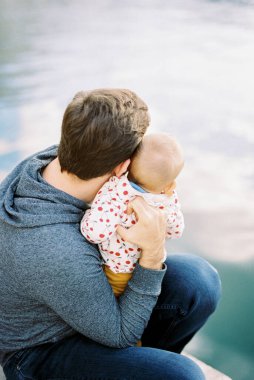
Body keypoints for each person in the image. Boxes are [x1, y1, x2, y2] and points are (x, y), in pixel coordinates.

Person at [0, 89, 221, 380]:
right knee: (183, 376)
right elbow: (119, 334)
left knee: (198, 280)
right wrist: (152, 253)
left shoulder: (61, 156)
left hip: (83, 296)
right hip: (39, 349)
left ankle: (143, 364)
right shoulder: (55, 247)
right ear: (122, 167)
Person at [81, 133, 185, 297]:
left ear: (126, 165)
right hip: (151, 269)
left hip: (113, 272)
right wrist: (170, 201)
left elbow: (94, 233)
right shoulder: (167, 201)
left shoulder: (116, 192)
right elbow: (176, 231)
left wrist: (85, 213)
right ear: (170, 185)